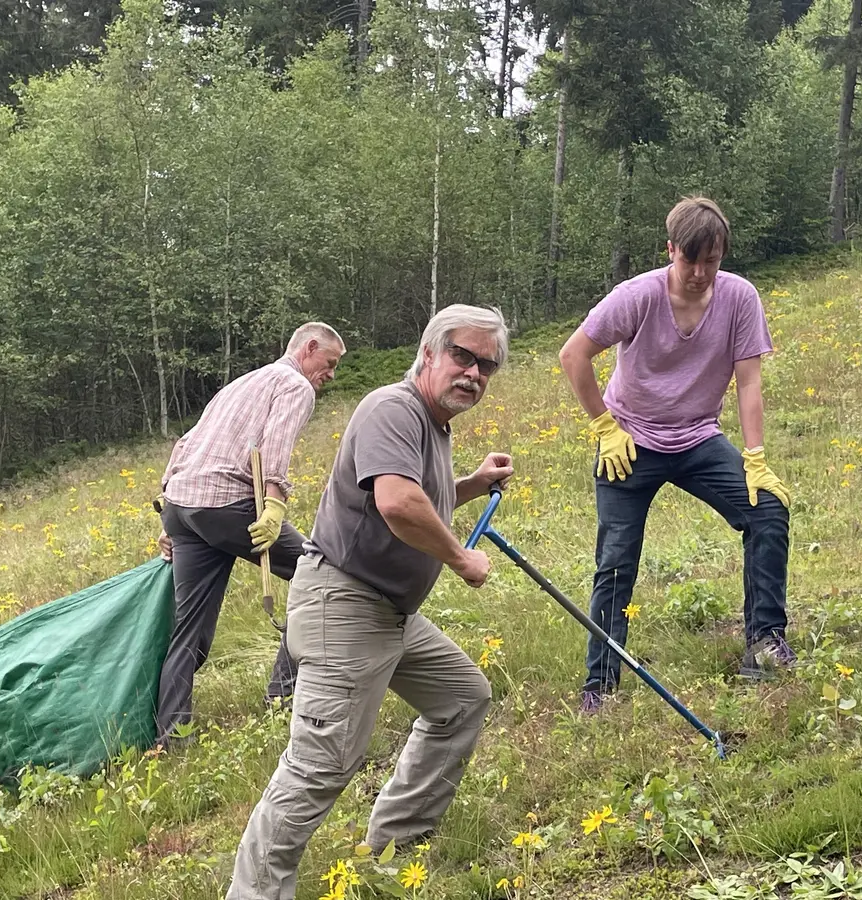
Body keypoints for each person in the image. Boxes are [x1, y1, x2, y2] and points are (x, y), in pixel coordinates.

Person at [227, 304, 513, 900]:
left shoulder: (431, 424)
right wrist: (462, 559)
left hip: (389, 612)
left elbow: (419, 495)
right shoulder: (393, 408)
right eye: (463, 356)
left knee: (462, 698)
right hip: (346, 603)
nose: (473, 373)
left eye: (485, 365)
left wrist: (471, 485)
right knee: (320, 765)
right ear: (429, 353)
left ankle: (390, 850)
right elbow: (398, 505)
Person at [557, 196, 793, 714]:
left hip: (697, 438)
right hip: (629, 443)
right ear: (671, 251)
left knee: (769, 509)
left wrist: (755, 456)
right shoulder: (637, 296)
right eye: (691, 261)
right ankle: (600, 685)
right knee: (616, 561)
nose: (701, 273)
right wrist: (604, 426)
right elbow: (573, 355)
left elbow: (749, 381)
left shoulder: (740, 298)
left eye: (712, 261)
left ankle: (764, 642)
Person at [153, 322, 346, 746]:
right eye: (329, 364)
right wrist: (274, 504)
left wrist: (167, 508)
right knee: (323, 574)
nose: (330, 375)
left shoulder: (244, 382)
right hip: (227, 506)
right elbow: (275, 447)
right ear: (309, 348)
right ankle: (283, 695)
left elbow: (186, 441)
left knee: (189, 630)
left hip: (183, 507)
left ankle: (170, 737)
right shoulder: (295, 385)